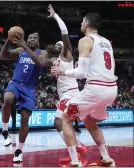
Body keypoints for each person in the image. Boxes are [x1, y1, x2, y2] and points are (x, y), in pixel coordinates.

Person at [51, 13, 117, 167]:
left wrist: (63, 72)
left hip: (96, 89)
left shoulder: (85, 40)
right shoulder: (107, 42)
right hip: (111, 90)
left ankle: (75, 161)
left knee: (62, 120)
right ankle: (106, 159)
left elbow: (81, 73)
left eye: (82, 22)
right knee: (90, 121)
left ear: (86, 23)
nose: (81, 24)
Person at [0, 31, 55, 162]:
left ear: (38, 41)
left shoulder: (42, 52)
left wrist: (25, 46)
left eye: (34, 38)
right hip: (16, 83)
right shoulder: (20, 50)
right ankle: (5, 130)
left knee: (25, 118)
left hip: (29, 88)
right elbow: (2, 56)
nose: (31, 39)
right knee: (7, 99)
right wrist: (8, 40)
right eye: (29, 38)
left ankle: (19, 150)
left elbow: (40, 63)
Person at [47, 4, 87, 159]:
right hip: (65, 94)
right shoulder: (56, 60)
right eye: (56, 44)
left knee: (58, 122)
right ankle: (78, 148)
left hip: (70, 94)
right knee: (65, 124)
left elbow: (64, 33)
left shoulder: (67, 55)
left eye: (60, 44)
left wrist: (56, 16)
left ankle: (77, 150)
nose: (57, 45)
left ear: (65, 48)